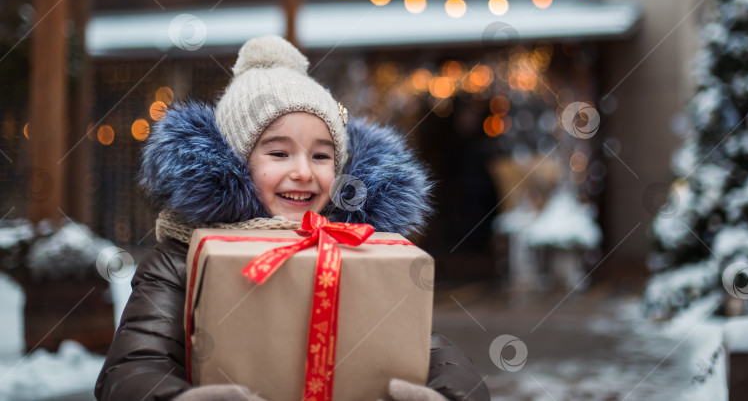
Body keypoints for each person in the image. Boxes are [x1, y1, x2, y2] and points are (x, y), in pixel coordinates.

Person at [95, 36, 490, 401]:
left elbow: (431, 350)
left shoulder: (356, 248)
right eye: (279, 153)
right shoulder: (179, 260)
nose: (303, 172)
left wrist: (448, 394)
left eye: (321, 156)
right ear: (237, 163)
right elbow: (131, 369)